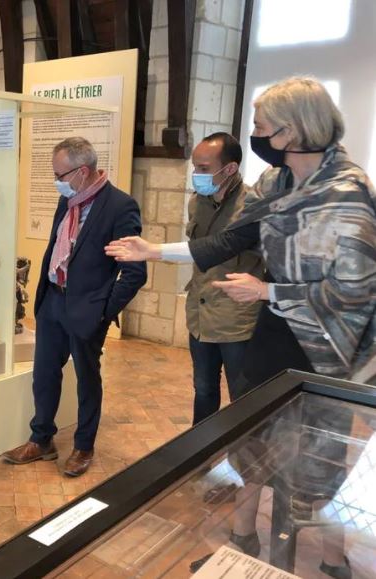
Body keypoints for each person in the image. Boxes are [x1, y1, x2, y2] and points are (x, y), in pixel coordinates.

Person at [106, 77, 375, 578]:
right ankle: (244, 542)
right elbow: (226, 241)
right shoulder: (276, 186)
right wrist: (153, 251)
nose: (254, 135)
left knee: (312, 461)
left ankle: (331, 561)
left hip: (324, 348)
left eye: (261, 127)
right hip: (272, 337)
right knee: (256, 443)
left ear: (292, 132)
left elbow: (355, 290)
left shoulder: (347, 192)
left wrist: (267, 291)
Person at [3, 137, 147, 477]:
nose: (56, 181)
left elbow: (134, 272)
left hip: (87, 309)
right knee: (44, 374)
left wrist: (103, 311)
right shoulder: (68, 199)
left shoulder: (120, 206)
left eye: (60, 174)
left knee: (87, 378)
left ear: (82, 172)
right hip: (53, 299)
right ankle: (41, 439)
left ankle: (84, 446)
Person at [186, 133, 263, 425]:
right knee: (203, 389)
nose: (197, 175)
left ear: (229, 168)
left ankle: (244, 458)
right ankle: (199, 453)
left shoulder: (253, 205)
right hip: (200, 316)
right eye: (195, 167)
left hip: (236, 320)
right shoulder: (197, 202)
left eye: (204, 168)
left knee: (242, 395)